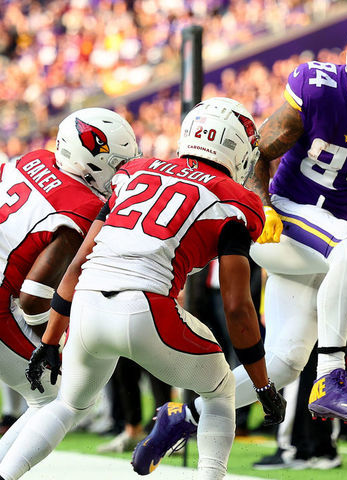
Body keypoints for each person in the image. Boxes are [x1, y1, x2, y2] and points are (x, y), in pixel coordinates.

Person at [132, 15, 347, 469]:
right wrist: (261, 205)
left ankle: (182, 416)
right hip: (281, 219)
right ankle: (332, 377)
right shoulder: (319, 89)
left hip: (317, 243)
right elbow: (257, 151)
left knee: (283, 363)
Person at [0, 97, 286, 480]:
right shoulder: (237, 202)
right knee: (219, 390)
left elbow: (80, 264)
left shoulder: (136, 171)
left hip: (87, 308)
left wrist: (50, 342)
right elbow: (237, 306)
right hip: (148, 309)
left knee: (66, 404)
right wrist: (263, 383)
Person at [0, 108, 140, 462]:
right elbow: (33, 298)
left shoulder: (32, 159)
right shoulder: (83, 206)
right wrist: (50, 338)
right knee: (56, 397)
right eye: (118, 163)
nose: (122, 171)